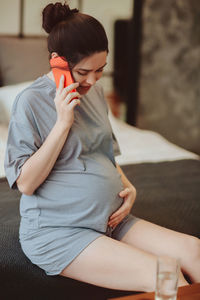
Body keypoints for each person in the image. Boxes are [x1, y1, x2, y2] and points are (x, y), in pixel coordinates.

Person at [4, 2, 200, 292]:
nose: (94, 81)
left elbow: (102, 153)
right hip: (60, 232)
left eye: (101, 70)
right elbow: (26, 184)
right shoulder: (30, 102)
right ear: (57, 61)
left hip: (110, 221)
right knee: (165, 274)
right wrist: (62, 123)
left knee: (194, 250)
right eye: (84, 72)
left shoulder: (94, 93)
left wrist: (126, 185)